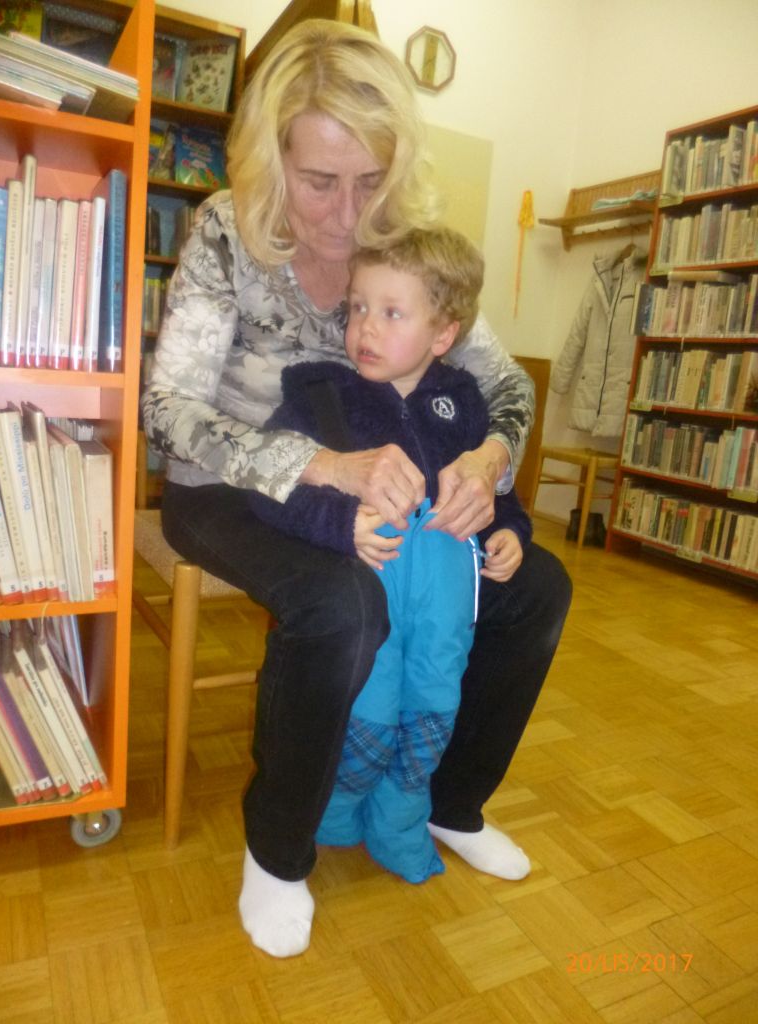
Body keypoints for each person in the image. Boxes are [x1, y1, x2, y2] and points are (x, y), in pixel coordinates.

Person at [142, 18, 572, 959]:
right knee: (344, 604)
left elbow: (508, 388)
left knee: (536, 585)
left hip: (382, 495)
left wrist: (488, 461)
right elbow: (166, 411)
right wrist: (321, 466)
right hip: (228, 484)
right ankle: (277, 848)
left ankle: (452, 801)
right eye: (319, 181)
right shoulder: (225, 231)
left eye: (371, 180)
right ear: (272, 161)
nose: (347, 214)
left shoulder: (404, 245)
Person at [247, 227, 533, 886]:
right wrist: (339, 522)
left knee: (432, 709)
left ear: (443, 334)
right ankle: (337, 811)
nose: (365, 327)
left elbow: (494, 494)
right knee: (368, 714)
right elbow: (269, 486)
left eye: (392, 312)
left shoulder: (464, 401)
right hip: (369, 597)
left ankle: (403, 822)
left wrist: (512, 531)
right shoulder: (317, 393)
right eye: (357, 307)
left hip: (444, 613)